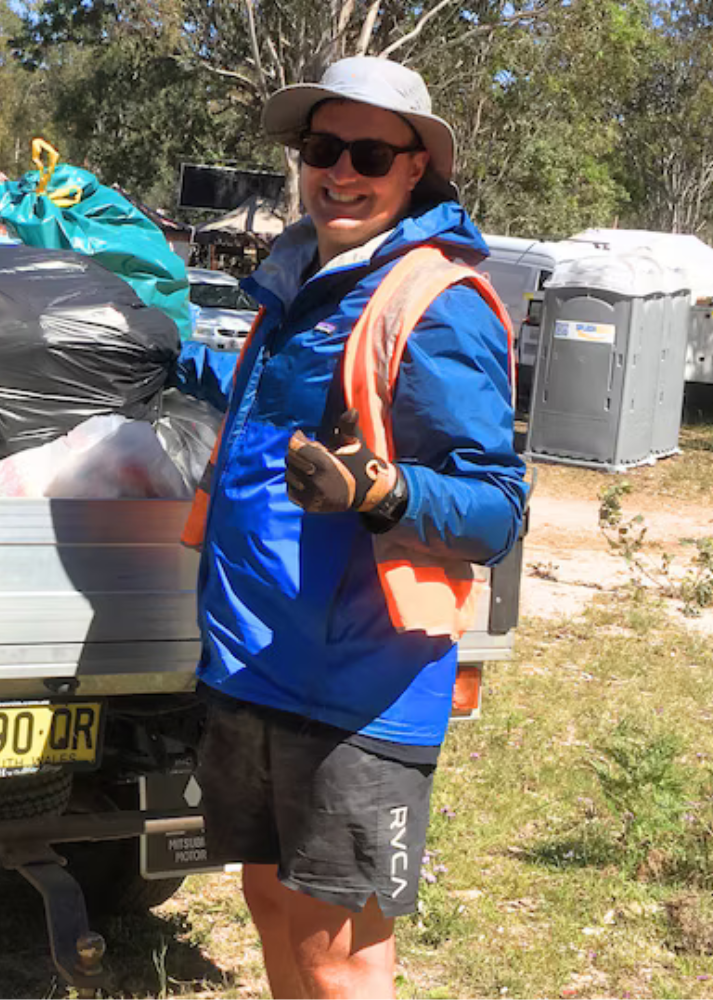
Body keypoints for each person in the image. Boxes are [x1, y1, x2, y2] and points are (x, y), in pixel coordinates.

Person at [175, 57, 528, 999]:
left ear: (418, 169)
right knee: (269, 901)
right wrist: (156, 347)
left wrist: (384, 495)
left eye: (370, 152)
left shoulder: (434, 302)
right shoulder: (299, 284)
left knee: (341, 957)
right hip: (251, 662)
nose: (341, 171)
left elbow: (497, 507)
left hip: (358, 687)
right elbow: (259, 415)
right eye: (323, 147)